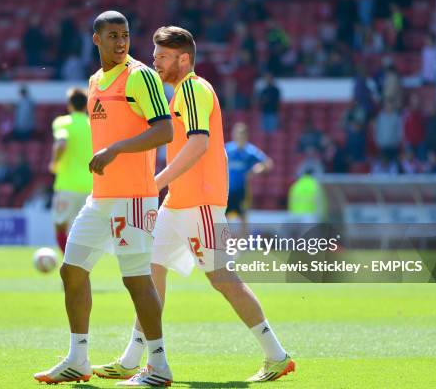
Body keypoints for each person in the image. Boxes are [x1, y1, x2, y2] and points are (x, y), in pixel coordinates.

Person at [92, 26, 294, 384]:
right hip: (179, 202)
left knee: (222, 278)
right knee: (149, 272)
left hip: (200, 202)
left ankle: (276, 355)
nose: (155, 61)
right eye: (154, 55)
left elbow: (199, 144)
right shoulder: (179, 92)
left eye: (162, 56)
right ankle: (134, 358)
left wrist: (156, 182)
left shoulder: (194, 89)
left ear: (184, 59)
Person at [33, 11, 174, 386]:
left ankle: (158, 366)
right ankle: (78, 360)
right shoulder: (95, 80)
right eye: (112, 35)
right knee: (72, 269)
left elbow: (165, 130)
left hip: (133, 198)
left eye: (125, 35)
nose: (121, 42)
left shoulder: (141, 75)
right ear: (96, 39)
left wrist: (116, 149)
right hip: (101, 197)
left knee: (136, 280)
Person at [49, 87, 93, 254]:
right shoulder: (93, 125)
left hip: (67, 185)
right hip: (91, 186)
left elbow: (61, 143)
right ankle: (80, 266)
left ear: (70, 105)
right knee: (82, 230)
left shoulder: (62, 122)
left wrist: (54, 162)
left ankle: (70, 265)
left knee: (60, 225)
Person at [225, 122, 273, 227]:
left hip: (242, 190)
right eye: (237, 133)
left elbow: (268, 163)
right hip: (226, 191)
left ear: (246, 136)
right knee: (224, 218)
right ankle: (223, 242)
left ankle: (243, 242)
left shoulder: (251, 151)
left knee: (243, 217)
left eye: (241, 134)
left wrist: (256, 170)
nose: (239, 136)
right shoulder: (227, 149)